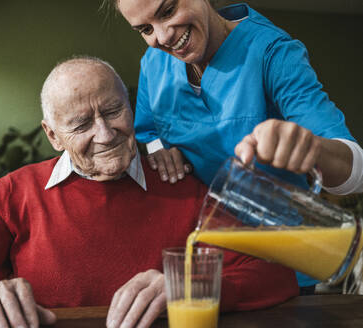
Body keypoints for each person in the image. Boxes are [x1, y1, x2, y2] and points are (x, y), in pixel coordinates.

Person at [0, 57, 299, 328]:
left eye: (112, 111)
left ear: (131, 107)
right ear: (52, 135)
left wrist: (189, 287)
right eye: (81, 124)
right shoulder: (14, 191)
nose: (104, 134)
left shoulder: (181, 183)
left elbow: (274, 275)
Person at [111, 0, 363, 289]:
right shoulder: (153, 65)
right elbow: (147, 131)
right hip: (204, 266)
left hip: (284, 265)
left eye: (168, 11)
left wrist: (313, 148)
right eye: (145, 29)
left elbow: (356, 169)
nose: (163, 37)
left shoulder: (271, 52)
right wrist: (162, 154)